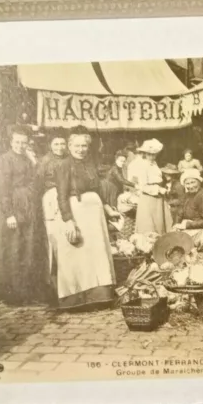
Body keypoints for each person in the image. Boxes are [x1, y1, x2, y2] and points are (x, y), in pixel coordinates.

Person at [55, 128, 118, 309]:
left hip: (95, 213)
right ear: (69, 146)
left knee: (97, 252)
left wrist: (107, 208)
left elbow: (98, 189)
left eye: (84, 146)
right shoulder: (63, 165)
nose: (81, 149)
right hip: (77, 211)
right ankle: (78, 300)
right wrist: (68, 220)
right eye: (77, 145)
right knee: (78, 254)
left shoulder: (90, 164)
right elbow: (61, 195)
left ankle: (100, 296)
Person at [0, 125, 49, 305]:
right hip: (13, 205)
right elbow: (2, 189)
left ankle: (28, 290)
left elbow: (36, 180)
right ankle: (13, 293)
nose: (20, 145)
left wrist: (33, 162)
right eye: (17, 142)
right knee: (14, 248)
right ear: (11, 141)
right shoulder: (4, 160)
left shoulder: (27, 159)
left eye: (24, 142)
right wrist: (9, 213)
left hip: (29, 206)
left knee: (29, 247)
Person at [36, 131, 68, 280]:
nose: (60, 147)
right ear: (50, 145)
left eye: (62, 143)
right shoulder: (45, 161)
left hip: (67, 198)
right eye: (56, 144)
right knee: (53, 236)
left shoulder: (69, 159)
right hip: (51, 199)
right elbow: (38, 182)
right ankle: (54, 278)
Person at [134, 139, 173, 235]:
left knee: (160, 222)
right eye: (149, 154)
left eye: (154, 154)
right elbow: (143, 186)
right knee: (150, 224)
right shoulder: (142, 166)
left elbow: (157, 178)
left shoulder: (154, 164)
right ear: (145, 154)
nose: (152, 156)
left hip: (158, 198)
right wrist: (158, 189)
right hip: (149, 197)